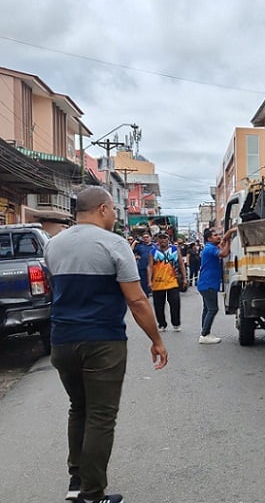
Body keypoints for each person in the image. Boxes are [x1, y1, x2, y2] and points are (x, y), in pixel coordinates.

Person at [45, 187, 167, 503]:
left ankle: (76, 483)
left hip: (61, 341)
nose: (114, 215)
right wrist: (156, 340)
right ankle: (92, 494)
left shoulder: (53, 246)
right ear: (102, 209)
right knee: (101, 416)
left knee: (79, 408)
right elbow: (137, 300)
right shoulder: (114, 244)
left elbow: (55, 291)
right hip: (103, 342)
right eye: (113, 209)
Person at [197, 228, 234, 344]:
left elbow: (220, 247)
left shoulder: (209, 248)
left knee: (207, 309)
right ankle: (204, 334)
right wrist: (229, 242)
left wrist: (224, 239)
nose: (218, 236)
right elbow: (223, 253)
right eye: (215, 235)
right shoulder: (210, 248)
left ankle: (205, 332)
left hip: (205, 283)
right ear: (209, 238)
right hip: (208, 284)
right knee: (213, 309)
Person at [148, 233, 187, 331]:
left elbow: (181, 264)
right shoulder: (153, 252)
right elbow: (150, 267)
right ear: (157, 240)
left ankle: (176, 323)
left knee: (175, 303)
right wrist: (149, 281)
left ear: (168, 239)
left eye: (165, 238)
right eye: (160, 238)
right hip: (158, 282)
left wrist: (185, 278)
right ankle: (162, 324)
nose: (162, 240)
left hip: (172, 281)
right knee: (159, 306)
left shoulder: (175, 250)